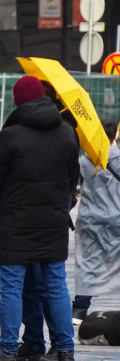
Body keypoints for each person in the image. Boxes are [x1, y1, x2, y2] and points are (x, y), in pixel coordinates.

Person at [0, 75, 79, 361]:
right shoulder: (67, 133)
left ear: (17, 101)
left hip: (17, 225)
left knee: (11, 287)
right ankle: (66, 354)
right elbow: (72, 181)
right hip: (53, 223)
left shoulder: (10, 135)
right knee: (56, 286)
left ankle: (7, 354)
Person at [73, 118, 120, 322]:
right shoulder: (117, 158)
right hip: (116, 217)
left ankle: (79, 310)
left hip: (89, 219)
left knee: (88, 263)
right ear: (114, 136)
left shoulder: (84, 160)